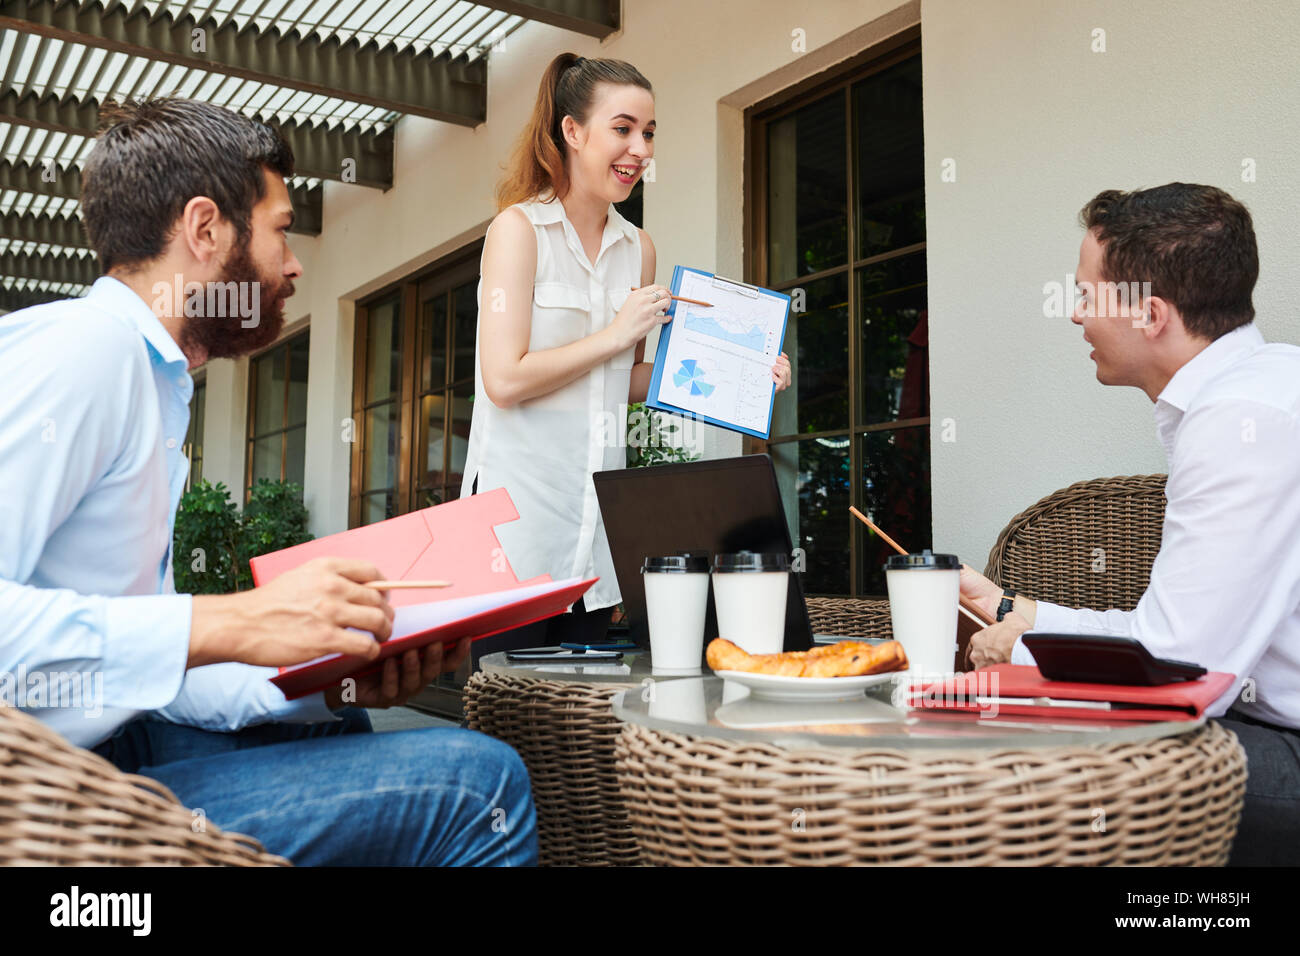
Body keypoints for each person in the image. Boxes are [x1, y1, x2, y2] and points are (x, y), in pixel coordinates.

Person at [0, 98, 536, 866]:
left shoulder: (155, 382)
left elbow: (151, 670)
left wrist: (338, 680)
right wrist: (233, 621)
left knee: (334, 721)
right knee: (485, 787)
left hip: (105, 740)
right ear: (206, 229)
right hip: (54, 805)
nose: (294, 264)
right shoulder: (85, 353)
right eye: (281, 228)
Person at [959, 182, 1300, 866]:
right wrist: (1000, 605)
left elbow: (1175, 677)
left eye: (1085, 294)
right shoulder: (1260, 387)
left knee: (1026, 767)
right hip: (1253, 717)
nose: (1076, 316)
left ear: (1149, 314)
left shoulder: (1245, 424)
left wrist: (1017, 650)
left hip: (1279, 745)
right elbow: (1171, 638)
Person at [460, 53, 792, 662]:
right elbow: (504, 380)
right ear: (572, 131)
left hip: (593, 535)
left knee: (576, 729)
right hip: (514, 534)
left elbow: (626, 380)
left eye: (649, 133)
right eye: (623, 129)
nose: (640, 149)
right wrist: (615, 334)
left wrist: (742, 378)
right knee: (505, 718)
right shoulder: (518, 231)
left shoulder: (638, 248)